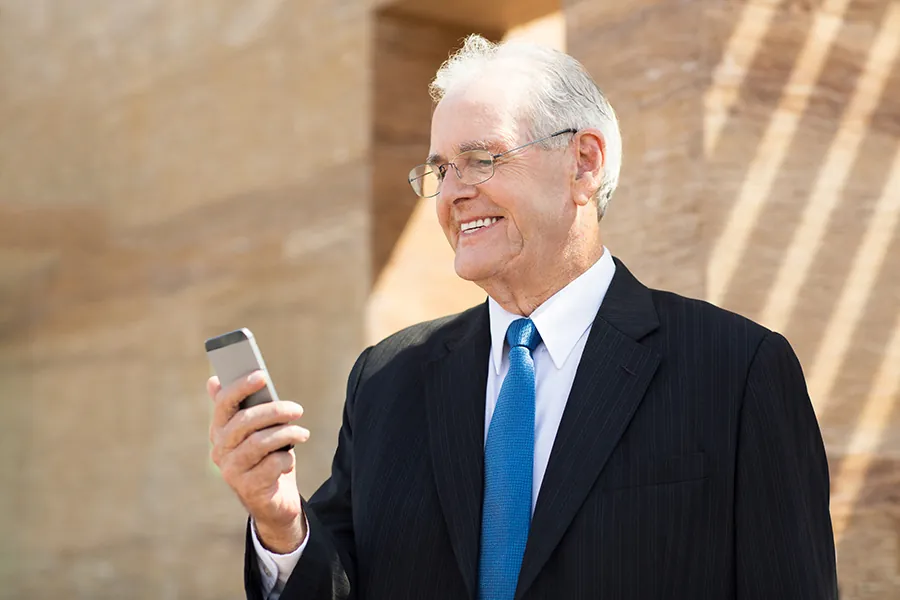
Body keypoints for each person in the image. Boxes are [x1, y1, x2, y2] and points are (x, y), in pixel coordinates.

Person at [207, 34, 838, 600]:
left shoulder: (737, 370)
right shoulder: (386, 380)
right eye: (439, 169)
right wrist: (282, 525)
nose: (452, 192)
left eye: (481, 159)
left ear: (583, 163)